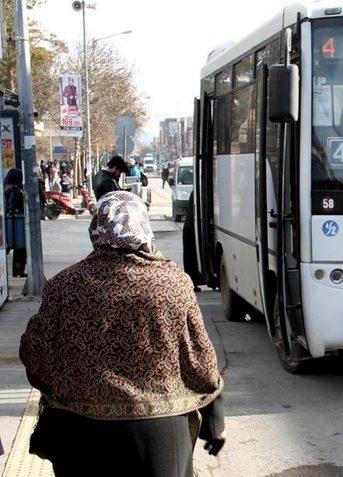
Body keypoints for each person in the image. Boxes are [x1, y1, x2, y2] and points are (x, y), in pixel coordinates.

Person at [20, 191, 225, 477]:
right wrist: (214, 422)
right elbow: (200, 362)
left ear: (97, 227)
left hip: (80, 437)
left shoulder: (64, 285)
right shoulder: (173, 283)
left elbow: (35, 355)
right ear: (143, 226)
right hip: (159, 438)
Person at [4, 169, 27, 276]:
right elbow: (12, 207)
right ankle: (19, 270)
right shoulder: (16, 190)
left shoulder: (11, 189)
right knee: (21, 249)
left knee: (19, 249)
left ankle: (18, 270)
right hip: (18, 223)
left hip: (16, 223)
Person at [183, 191, 203, 292]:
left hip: (190, 226)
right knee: (192, 257)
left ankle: (192, 283)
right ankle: (193, 282)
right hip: (193, 228)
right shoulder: (197, 193)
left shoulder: (194, 192)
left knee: (190, 257)